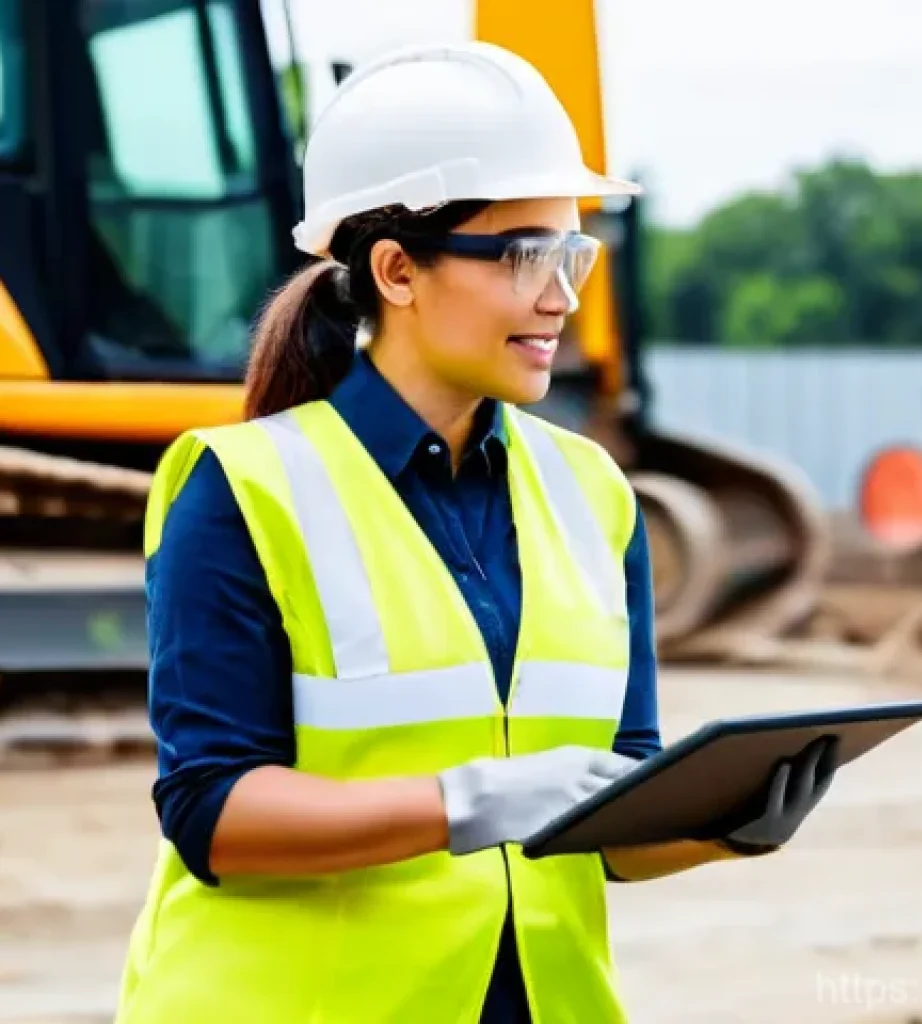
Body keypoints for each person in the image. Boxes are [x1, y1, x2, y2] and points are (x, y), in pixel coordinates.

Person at [114, 41, 836, 1024]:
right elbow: (212, 811)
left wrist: (728, 823)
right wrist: (471, 799)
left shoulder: (594, 494)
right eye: (527, 256)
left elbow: (607, 824)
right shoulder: (242, 488)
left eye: (574, 253)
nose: (563, 296)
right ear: (397, 270)